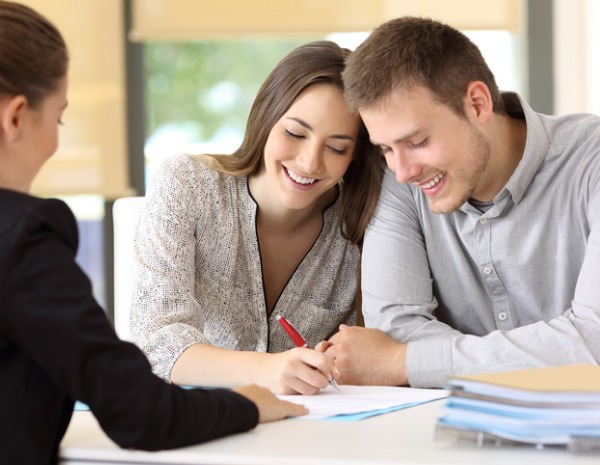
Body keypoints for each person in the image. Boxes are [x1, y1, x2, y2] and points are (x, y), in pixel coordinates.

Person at [0, 2, 307, 464]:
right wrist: (248, 403)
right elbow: (139, 412)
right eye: (59, 117)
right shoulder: (21, 237)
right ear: (17, 117)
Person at [319, 16, 600, 388]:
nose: (402, 171)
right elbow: (394, 331)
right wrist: (549, 353)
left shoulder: (590, 162)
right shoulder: (400, 182)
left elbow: (593, 342)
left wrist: (403, 364)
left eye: (418, 141)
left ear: (478, 103)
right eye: (386, 148)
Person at [130, 41, 382, 395]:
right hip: (198, 425)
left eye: (337, 147)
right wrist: (267, 369)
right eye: (295, 133)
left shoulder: (363, 226)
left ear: (355, 155)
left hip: (309, 433)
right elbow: (156, 342)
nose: (310, 162)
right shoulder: (187, 184)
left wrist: (338, 360)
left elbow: (370, 354)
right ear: (266, 117)